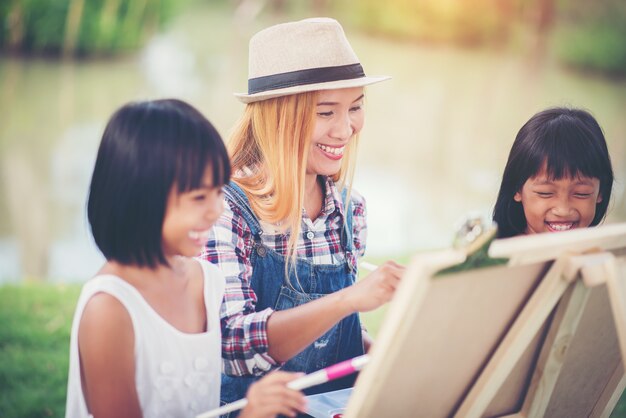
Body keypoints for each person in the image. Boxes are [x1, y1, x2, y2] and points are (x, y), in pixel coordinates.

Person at [200, 17, 405, 409]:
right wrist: (349, 299)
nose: (345, 130)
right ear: (279, 117)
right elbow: (232, 346)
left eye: (356, 107)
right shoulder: (225, 210)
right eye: (326, 113)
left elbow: (336, 334)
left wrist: (377, 353)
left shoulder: (351, 209)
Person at [65, 99, 307, 418]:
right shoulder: (109, 310)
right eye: (198, 198)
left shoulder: (205, 281)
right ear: (141, 199)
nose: (216, 210)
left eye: (219, 192)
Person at [493, 107, 614, 238]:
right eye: (545, 193)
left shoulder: (604, 254)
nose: (563, 210)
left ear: (600, 192)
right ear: (517, 188)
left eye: (581, 194)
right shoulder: (500, 255)